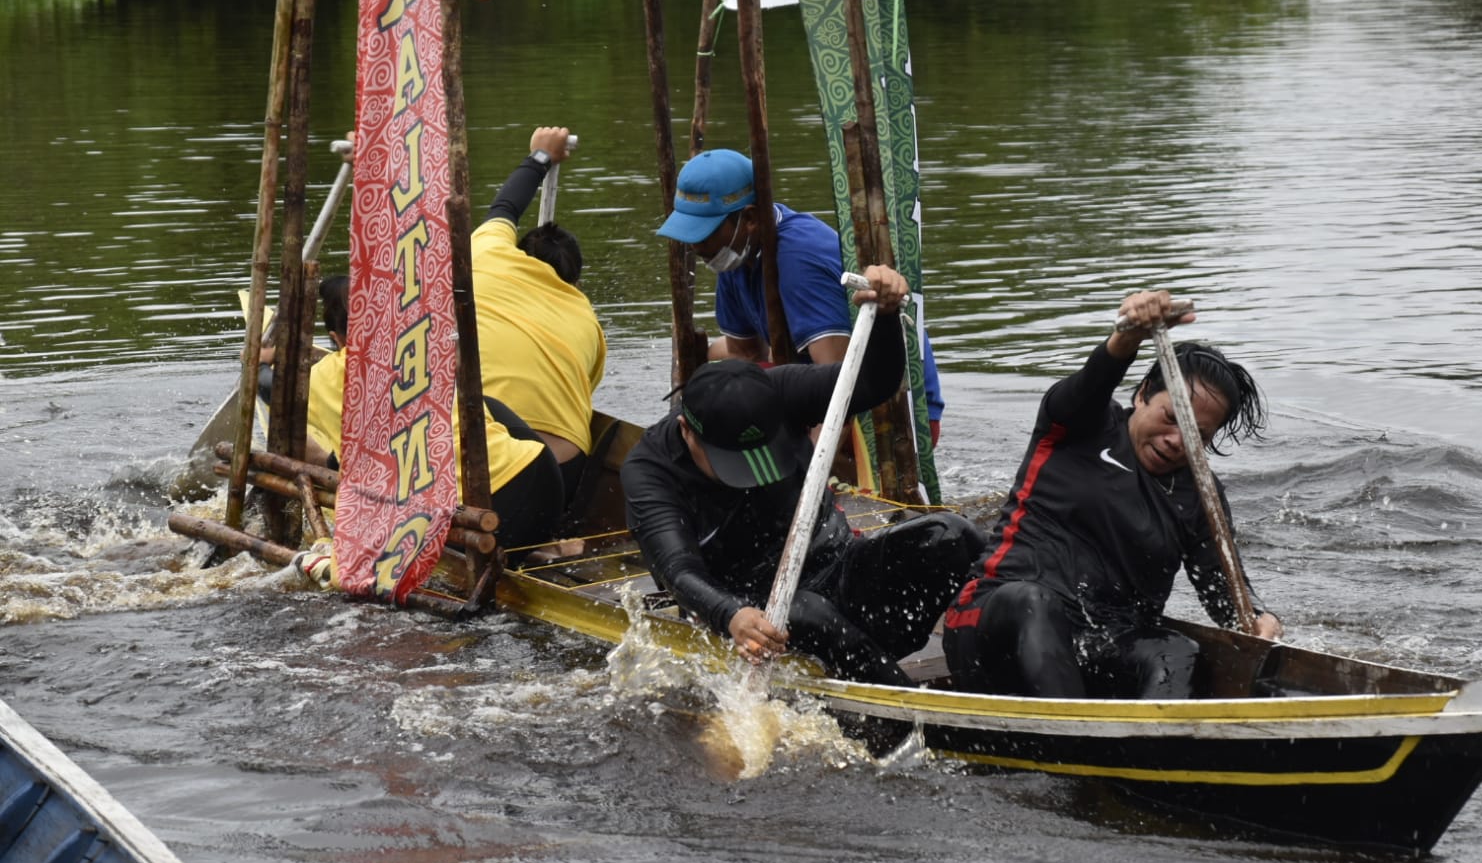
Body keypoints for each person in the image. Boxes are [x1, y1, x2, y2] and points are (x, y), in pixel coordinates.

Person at [620, 264, 982, 689]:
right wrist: (731, 615)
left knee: (951, 535)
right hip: (754, 608)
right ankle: (898, 696)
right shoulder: (649, 471)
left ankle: (979, 666)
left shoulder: (779, 389)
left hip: (835, 563)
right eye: (731, 461)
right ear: (687, 430)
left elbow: (871, 382)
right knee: (807, 612)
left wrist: (884, 317)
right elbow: (679, 571)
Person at [942, 290, 1281, 702]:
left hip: (1096, 646)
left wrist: (1260, 618)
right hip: (992, 623)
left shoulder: (1201, 496)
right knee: (1036, 602)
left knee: (1177, 650)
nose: (1178, 441)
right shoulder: (1079, 425)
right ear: (1141, 395)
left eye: (1198, 436)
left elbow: (1223, 592)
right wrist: (1127, 337)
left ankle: (1152, 749)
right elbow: (1093, 381)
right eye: (1170, 418)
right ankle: (1073, 743)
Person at [655, 148, 944, 445]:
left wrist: (805, 472)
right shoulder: (733, 254)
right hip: (817, 386)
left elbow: (843, 389)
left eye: (704, 232)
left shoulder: (798, 260)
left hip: (885, 410)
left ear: (750, 218)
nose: (694, 246)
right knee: (728, 384)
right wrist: (698, 361)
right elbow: (746, 354)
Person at [303, 275, 565, 559]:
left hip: (479, 518)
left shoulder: (320, 378)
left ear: (336, 339)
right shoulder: (421, 350)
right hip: (544, 483)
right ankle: (542, 545)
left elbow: (276, 392)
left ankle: (522, 551)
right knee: (486, 406)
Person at [472, 126, 607, 504]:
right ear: (574, 281)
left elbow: (505, 207)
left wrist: (540, 156)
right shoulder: (586, 318)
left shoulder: (488, 254)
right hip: (560, 473)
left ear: (519, 252)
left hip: (494, 464)